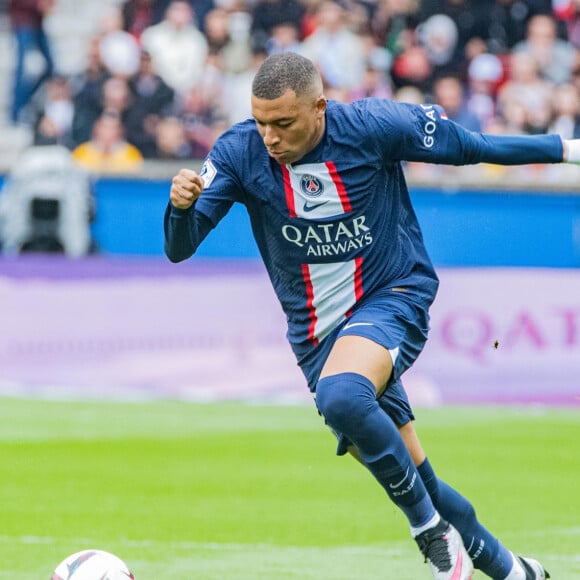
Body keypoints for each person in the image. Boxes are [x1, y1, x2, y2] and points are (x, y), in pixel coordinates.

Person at [163, 52, 575, 579]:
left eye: (283, 123)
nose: (270, 137)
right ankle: (514, 571)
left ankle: (432, 538)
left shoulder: (373, 126)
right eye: (262, 122)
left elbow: (473, 146)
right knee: (415, 471)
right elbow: (181, 246)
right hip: (317, 338)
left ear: (319, 107)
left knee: (342, 396)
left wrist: (566, 149)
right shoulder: (240, 153)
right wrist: (180, 207)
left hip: (392, 293)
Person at [8, 0, 56, 124]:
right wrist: (38, 4)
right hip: (22, 23)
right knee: (24, 70)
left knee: (50, 68)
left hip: (37, 24)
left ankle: (24, 101)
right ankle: (16, 111)